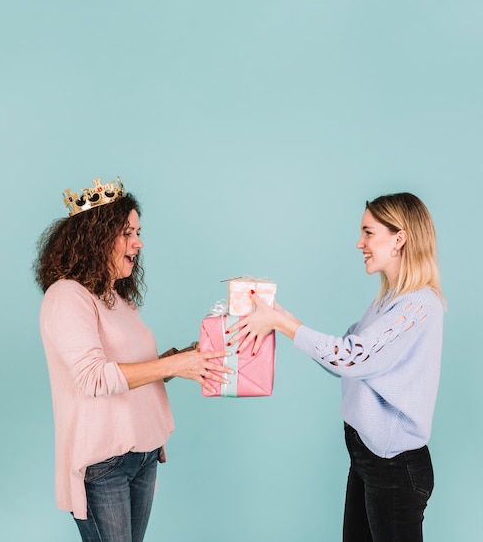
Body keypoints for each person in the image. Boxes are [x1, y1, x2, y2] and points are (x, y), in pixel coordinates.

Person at [228, 192, 445, 542]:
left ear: (399, 238)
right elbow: (344, 359)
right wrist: (280, 317)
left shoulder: (418, 306)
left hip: (393, 466)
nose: (359, 243)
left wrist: (283, 325)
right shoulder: (388, 300)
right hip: (367, 458)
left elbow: (350, 357)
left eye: (368, 232)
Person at [34, 176, 231, 542]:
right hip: (103, 462)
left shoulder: (118, 299)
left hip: (142, 453)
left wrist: (184, 357)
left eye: (138, 232)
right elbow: (94, 378)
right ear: (96, 237)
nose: (138, 243)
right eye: (128, 233)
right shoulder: (66, 296)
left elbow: (132, 370)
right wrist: (174, 365)